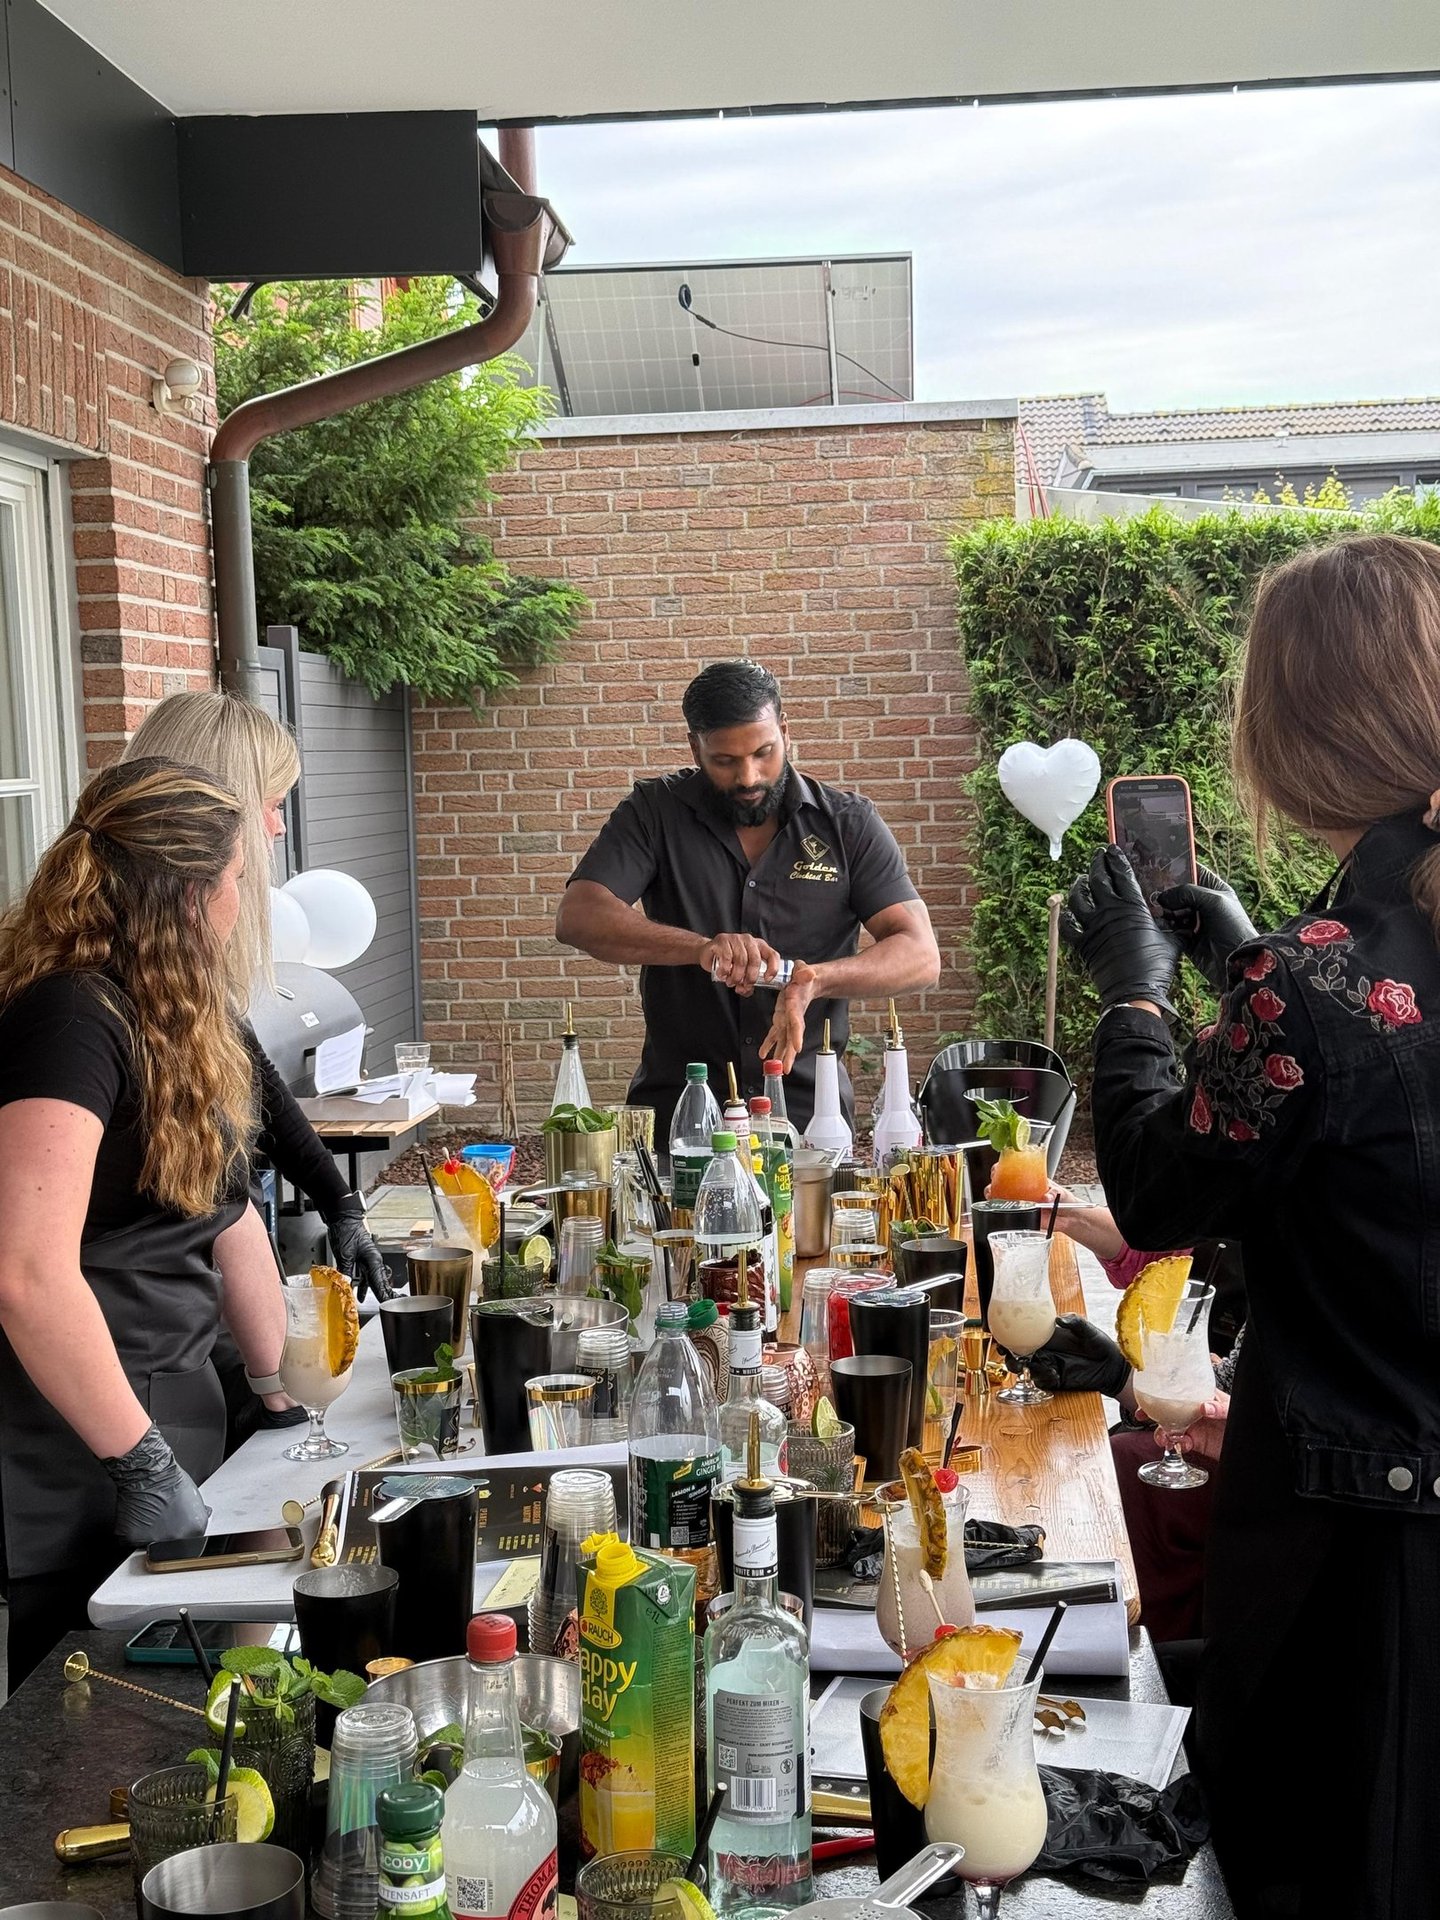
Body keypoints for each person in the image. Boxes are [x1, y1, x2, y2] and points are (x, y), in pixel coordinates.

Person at [1061, 533, 1440, 1918]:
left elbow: (1167, 1189)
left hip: (1366, 1582)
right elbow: (1365, 1136)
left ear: (1288, 737)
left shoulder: (1326, 982)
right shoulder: (1332, 974)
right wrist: (1242, 954)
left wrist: (1134, 990)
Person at [0, 759, 286, 1684]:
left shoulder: (167, 1009)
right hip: (82, 1450)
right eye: (238, 880)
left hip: (177, 1416)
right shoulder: (70, 1021)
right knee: (90, 1747)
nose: (243, 904)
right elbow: (27, 1272)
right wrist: (138, 1462)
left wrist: (274, 1384)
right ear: (191, 894)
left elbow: (218, 1205)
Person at [555, 659, 940, 1134]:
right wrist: (699, 949)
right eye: (726, 761)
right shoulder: (654, 813)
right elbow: (579, 914)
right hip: (680, 1111)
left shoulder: (848, 825)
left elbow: (920, 954)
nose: (749, 777)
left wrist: (814, 980)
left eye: (764, 752)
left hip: (809, 1114)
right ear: (695, 747)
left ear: (785, 730)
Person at [127, 694, 393, 1324]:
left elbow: (259, 1081)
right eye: (273, 806)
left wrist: (341, 1204)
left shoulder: (177, 961)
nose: (278, 829)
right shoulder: (108, 994)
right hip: (150, 1330)